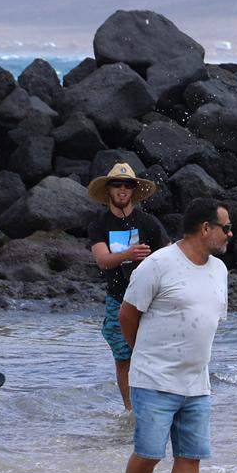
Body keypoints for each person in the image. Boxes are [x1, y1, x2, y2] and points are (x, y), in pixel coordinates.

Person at [115, 200, 232, 473]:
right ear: (205, 229)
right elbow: (127, 315)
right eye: (225, 227)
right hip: (153, 378)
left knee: (190, 456)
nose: (230, 233)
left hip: (198, 382)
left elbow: (208, 320)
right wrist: (144, 355)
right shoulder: (158, 264)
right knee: (149, 453)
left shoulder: (219, 270)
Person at [86, 162, 169, 411]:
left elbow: (169, 256)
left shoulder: (148, 222)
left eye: (128, 185)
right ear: (108, 190)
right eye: (117, 185)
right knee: (123, 358)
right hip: (117, 299)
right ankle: (130, 411)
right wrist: (129, 254)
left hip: (150, 301)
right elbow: (102, 260)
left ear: (134, 190)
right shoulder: (99, 224)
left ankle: (157, 405)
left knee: (153, 358)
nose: (122, 189)